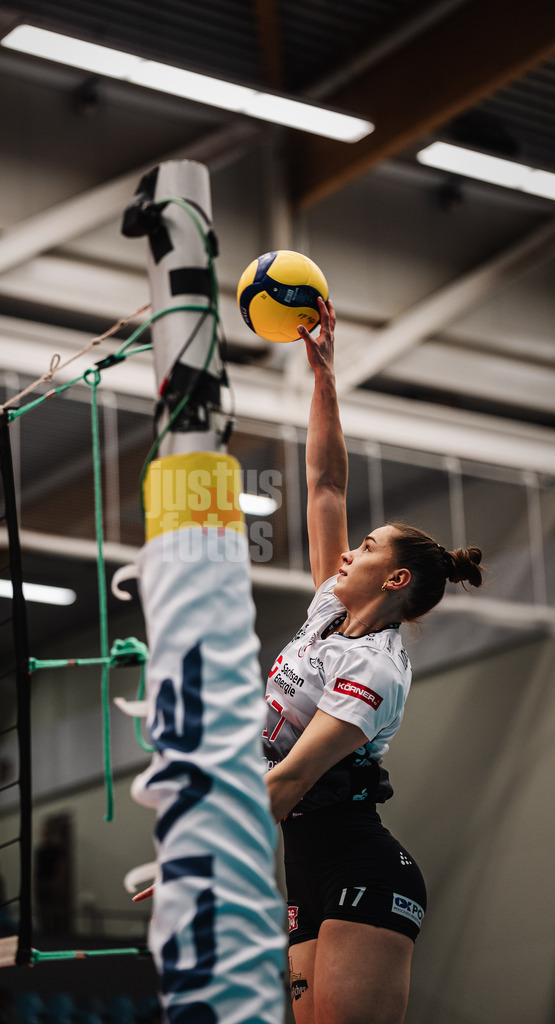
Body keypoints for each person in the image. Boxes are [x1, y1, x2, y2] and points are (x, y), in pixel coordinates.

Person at [264, 296, 484, 1024]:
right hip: (306, 869)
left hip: (365, 870)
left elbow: (293, 776)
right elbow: (325, 483)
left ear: (393, 580)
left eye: (364, 547)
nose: (347, 550)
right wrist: (323, 378)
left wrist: (201, 857)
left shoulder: (377, 670)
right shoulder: (330, 608)